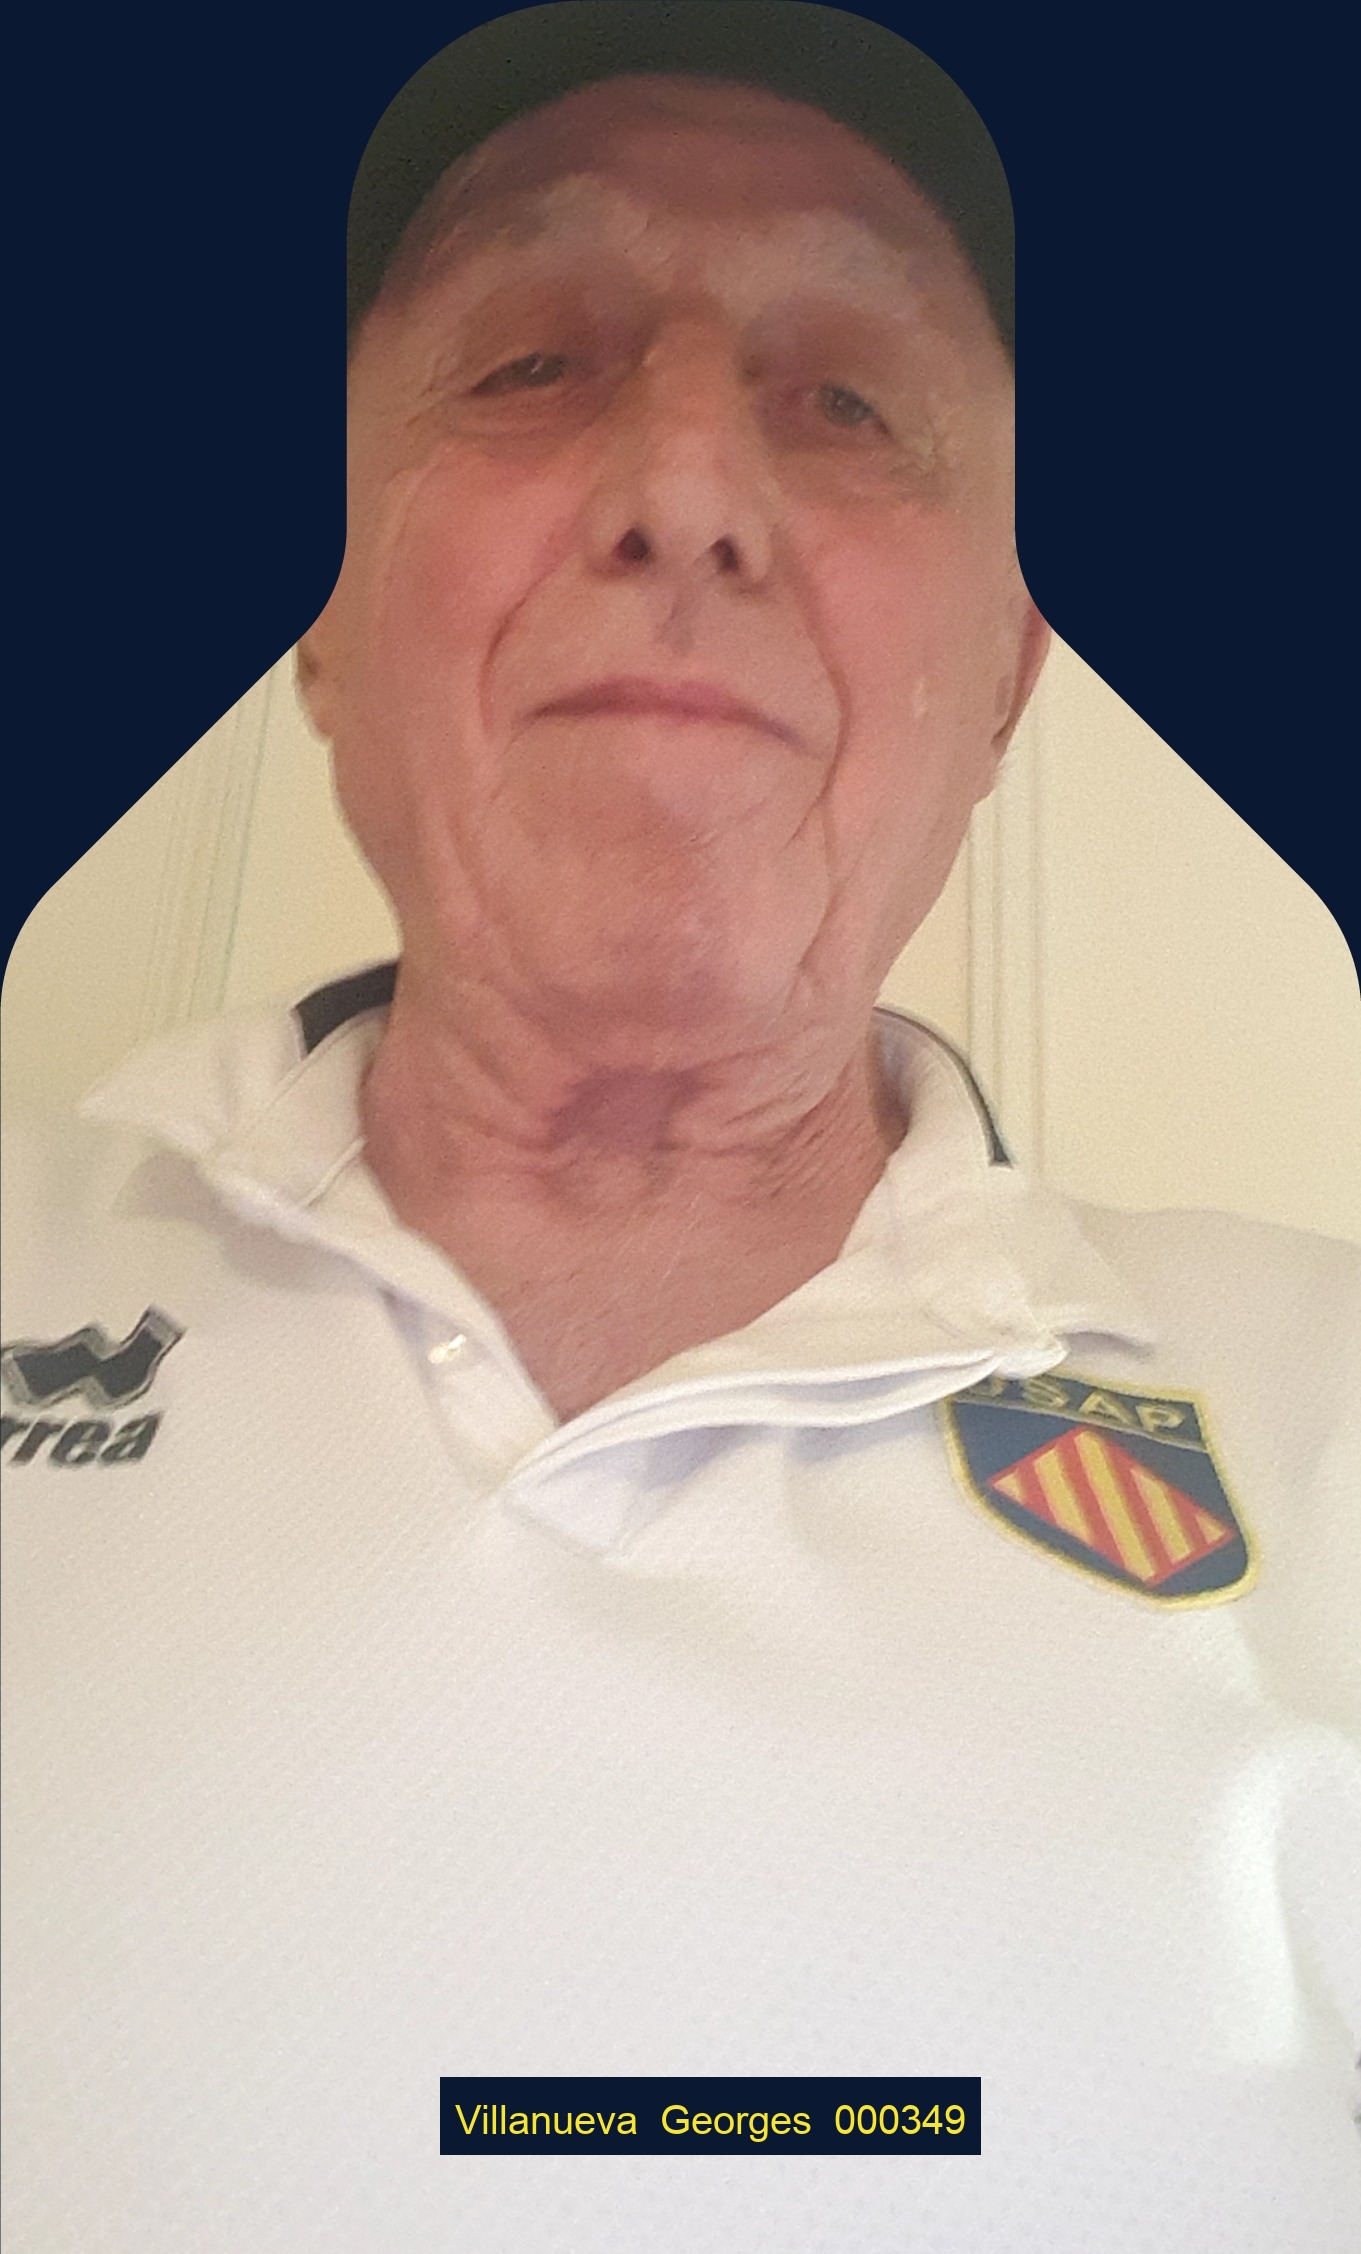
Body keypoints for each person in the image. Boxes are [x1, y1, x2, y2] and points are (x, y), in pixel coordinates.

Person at [3, 32, 1358, 2254]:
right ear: (310, 611)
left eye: (849, 402)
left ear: (1011, 672)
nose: (687, 486)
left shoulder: (1335, 1406)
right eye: (532, 363)